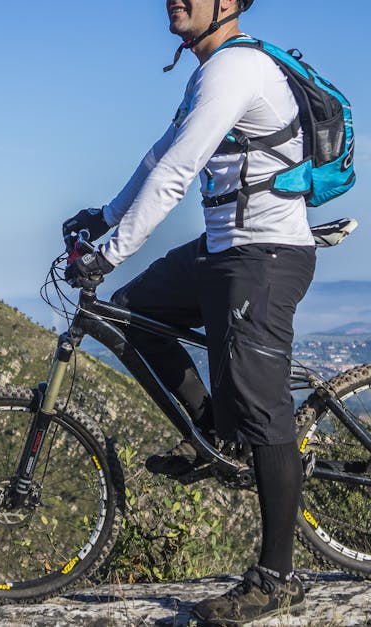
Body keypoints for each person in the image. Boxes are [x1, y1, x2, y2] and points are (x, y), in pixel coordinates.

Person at [62, 0, 316, 623]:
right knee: (131, 312)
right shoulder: (210, 71)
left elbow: (178, 173)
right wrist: (106, 215)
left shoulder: (236, 70)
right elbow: (157, 156)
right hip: (223, 249)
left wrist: (110, 253)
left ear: (227, 4)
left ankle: (279, 577)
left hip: (265, 253)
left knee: (262, 405)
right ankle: (216, 438)